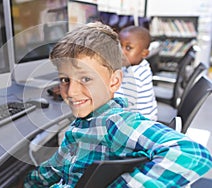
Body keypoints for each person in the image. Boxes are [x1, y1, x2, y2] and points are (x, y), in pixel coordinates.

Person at [24, 22, 212, 187]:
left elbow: (193, 154)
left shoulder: (115, 124)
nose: (71, 91)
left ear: (114, 82)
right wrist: (30, 182)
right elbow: (59, 164)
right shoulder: (85, 123)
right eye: (65, 79)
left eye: (86, 78)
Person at [115, 25, 158, 121]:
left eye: (128, 48)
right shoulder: (141, 65)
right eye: (119, 46)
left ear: (144, 53)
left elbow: (118, 102)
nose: (121, 52)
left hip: (138, 125)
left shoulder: (136, 76)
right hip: (145, 119)